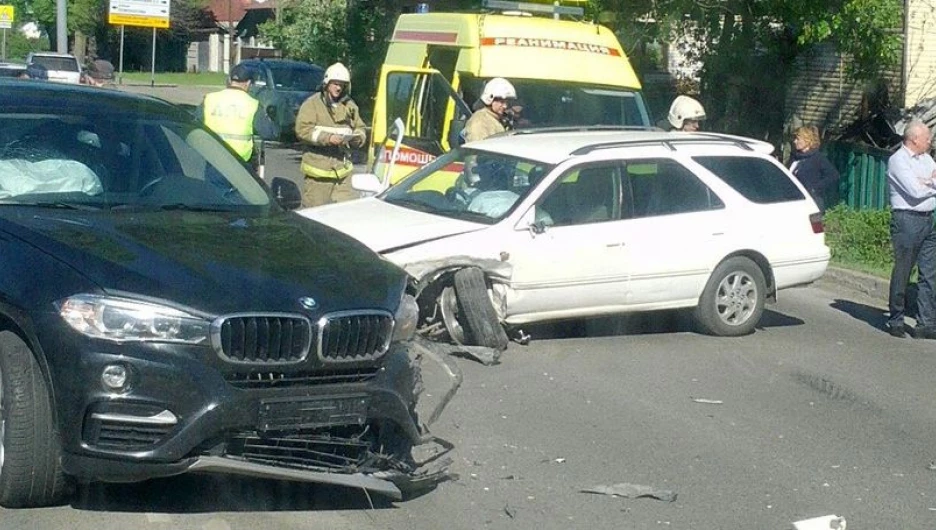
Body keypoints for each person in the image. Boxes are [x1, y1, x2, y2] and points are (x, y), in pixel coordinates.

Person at [885, 119, 936, 339]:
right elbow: (914, 191)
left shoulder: (927, 159)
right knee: (904, 270)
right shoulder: (898, 160)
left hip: (927, 219)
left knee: (929, 273)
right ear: (914, 139)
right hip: (906, 220)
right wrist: (928, 184)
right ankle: (896, 318)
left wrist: (928, 183)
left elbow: (926, 185)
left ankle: (926, 322)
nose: (930, 142)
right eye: (927, 138)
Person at [294, 62, 367, 207]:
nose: (339, 88)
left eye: (342, 84)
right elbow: (302, 130)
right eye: (335, 84)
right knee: (314, 216)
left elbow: (360, 128)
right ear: (326, 84)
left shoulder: (350, 106)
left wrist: (357, 139)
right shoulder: (312, 104)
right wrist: (328, 138)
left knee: (344, 214)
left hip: (343, 174)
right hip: (318, 175)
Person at [199, 63, 279, 173]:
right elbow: (268, 133)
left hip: (213, 158)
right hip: (240, 163)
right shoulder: (252, 104)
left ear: (229, 80)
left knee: (214, 188)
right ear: (248, 83)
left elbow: (194, 123)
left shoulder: (210, 99)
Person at [788, 125, 840, 212]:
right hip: (795, 202)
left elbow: (833, 175)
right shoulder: (795, 157)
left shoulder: (817, 158)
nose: (795, 141)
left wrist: (814, 189)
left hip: (811, 204)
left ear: (807, 140)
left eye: (798, 139)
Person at [463, 77, 516, 143]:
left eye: (507, 102)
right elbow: (479, 150)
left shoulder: (502, 119)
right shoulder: (479, 122)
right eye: (501, 101)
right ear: (489, 98)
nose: (505, 106)